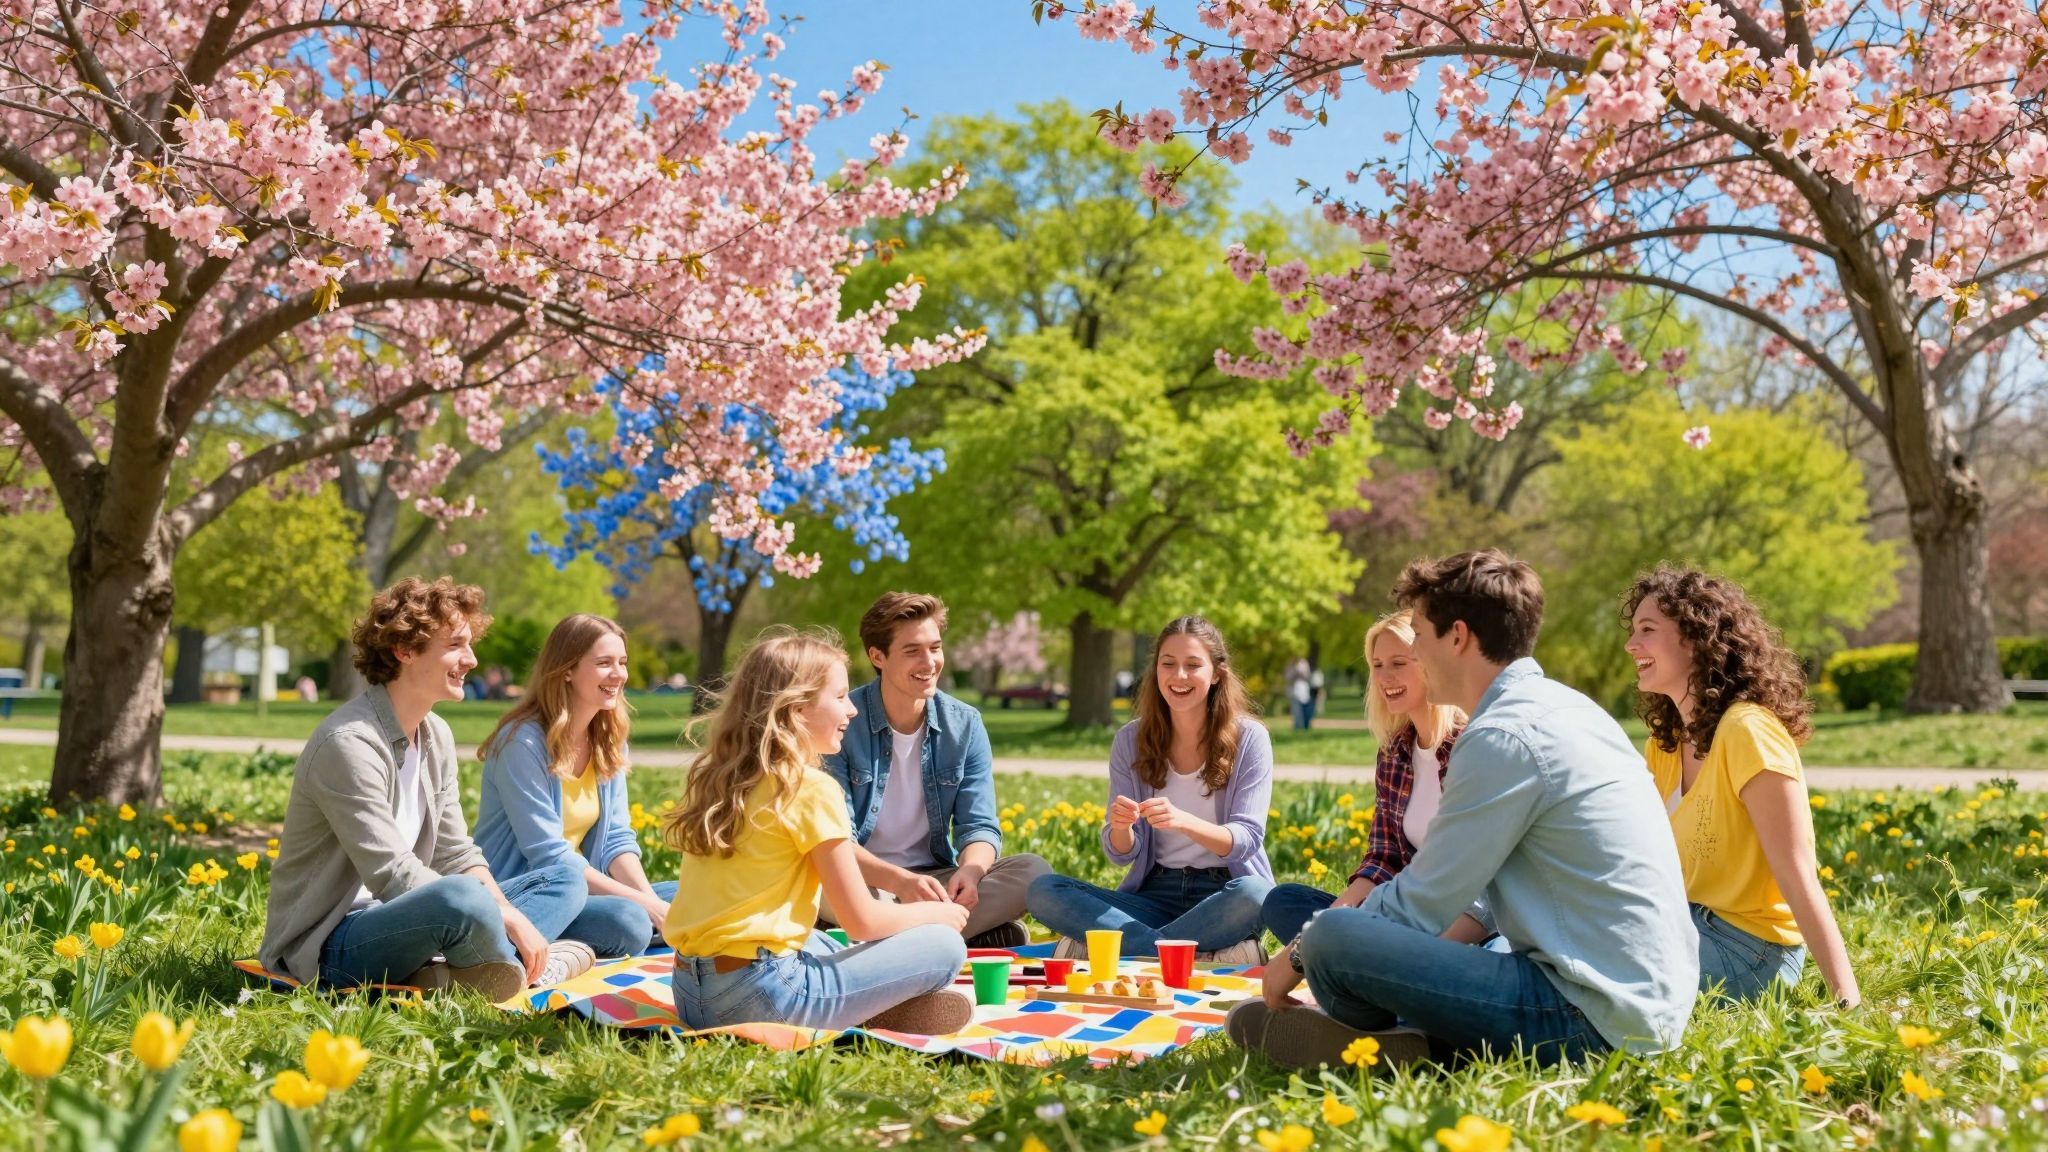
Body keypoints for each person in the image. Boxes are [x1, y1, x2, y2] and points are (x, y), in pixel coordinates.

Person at [1229, 551, 1698, 1070]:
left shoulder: (1502, 737)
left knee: (1334, 938)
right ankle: (1421, 1043)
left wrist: (1299, 951)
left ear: (1457, 636)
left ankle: (1407, 1043)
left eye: (1422, 637)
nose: (1418, 653)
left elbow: (1422, 901)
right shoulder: (1569, 707)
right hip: (1647, 1003)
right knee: (1338, 928)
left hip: (1589, 1013)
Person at [259, 578, 590, 1001]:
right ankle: (517, 964)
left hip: (420, 913)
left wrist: (504, 912)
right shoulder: (348, 742)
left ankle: (471, 969)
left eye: (469, 645)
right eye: (455, 645)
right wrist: (502, 913)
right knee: (461, 898)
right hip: (334, 942)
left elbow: (455, 852)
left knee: (574, 884)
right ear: (406, 650)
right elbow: (392, 875)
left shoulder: (436, 734)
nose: (470, 659)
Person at [663, 627, 974, 1033]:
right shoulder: (809, 787)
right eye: (841, 696)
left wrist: (898, 880)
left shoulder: (718, 777)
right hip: (764, 997)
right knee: (944, 946)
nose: (853, 711)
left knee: (823, 943)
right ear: (796, 709)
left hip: (689, 992)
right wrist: (936, 915)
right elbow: (861, 920)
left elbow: (837, 857)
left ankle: (857, 1003)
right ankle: (865, 1007)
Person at [1624, 566, 1860, 1007]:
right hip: (1688, 925)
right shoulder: (1665, 744)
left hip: (1752, 950)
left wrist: (1847, 999)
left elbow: (1797, 872)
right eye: (1633, 630)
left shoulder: (1748, 732)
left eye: (1647, 630)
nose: (1631, 645)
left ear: (1695, 638)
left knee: (1587, 978)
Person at [1028, 616, 1274, 962]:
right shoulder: (1130, 740)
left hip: (1223, 894)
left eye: (1193, 665)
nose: (1179, 676)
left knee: (1256, 895)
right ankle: (1186, 952)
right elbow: (1121, 854)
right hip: (1153, 895)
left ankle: (1122, 949)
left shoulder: (1250, 739)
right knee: (1044, 890)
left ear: (1217, 673)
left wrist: (1183, 821)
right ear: (1155, 669)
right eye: (1168, 664)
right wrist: (1120, 827)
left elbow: (1246, 840)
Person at [819, 593, 1050, 948]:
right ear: (877, 656)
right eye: (912, 651)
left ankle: (884, 941)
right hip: (862, 880)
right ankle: (950, 936)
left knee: (1033, 873)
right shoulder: (843, 721)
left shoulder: (965, 725)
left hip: (934, 882)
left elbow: (980, 826)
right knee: (822, 885)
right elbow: (838, 841)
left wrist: (970, 873)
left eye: (935, 648)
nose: (929, 662)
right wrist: (898, 883)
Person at [475, 614, 677, 959]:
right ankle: (524, 948)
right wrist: (645, 908)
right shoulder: (522, 743)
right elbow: (549, 857)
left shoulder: (607, 739)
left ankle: (593, 943)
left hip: (585, 887)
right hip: (532, 894)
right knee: (630, 921)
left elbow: (616, 839)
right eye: (604, 663)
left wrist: (655, 904)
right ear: (567, 669)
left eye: (622, 663)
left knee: (684, 896)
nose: (619, 674)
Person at [1262, 611, 1467, 943]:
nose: (1385, 677)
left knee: (1494, 951)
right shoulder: (1394, 753)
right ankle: (1363, 956)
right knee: (1284, 902)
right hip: (1401, 916)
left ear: (1430, 662)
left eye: (1399, 663)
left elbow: (1482, 879)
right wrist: (1326, 925)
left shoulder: (1470, 747)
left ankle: (1374, 962)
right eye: (1377, 665)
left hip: (1464, 922)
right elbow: (1383, 858)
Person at [1285, 658, 1315, 730]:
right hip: (1293, 690)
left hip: (1303, 690)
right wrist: (1294, 674)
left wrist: (1301, 674)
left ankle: (1306, 725)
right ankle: (1298, 726)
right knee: (1296, 710)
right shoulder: (1289, 664)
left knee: (1305, 709)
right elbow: (1287, 677)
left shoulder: (1304, 663)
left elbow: (1308, 676)